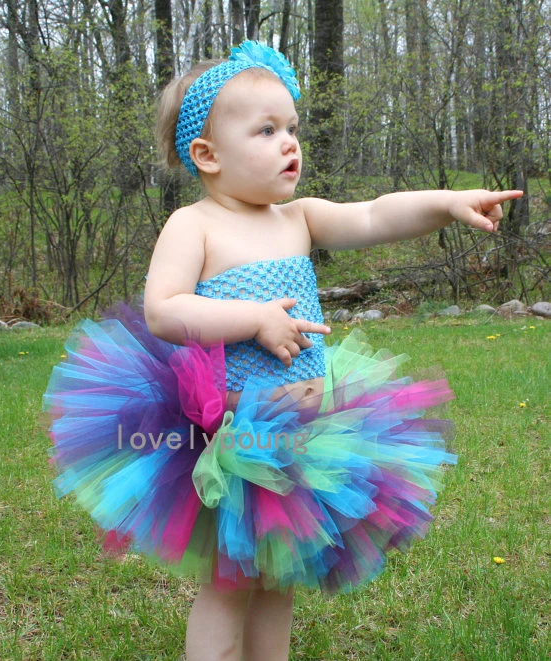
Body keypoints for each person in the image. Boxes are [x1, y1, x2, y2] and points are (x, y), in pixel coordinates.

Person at [44, 41, 523, 661]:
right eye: (266, 130)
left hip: (308, 431)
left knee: (277, 578)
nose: (289, 143)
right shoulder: (194, 225)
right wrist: (254, 320)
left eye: (292, 128)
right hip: (233, 435)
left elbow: (375, 215)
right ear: (208, 155)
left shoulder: (298, 218)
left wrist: (446, 204)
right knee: (229, 583)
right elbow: (163, 309)